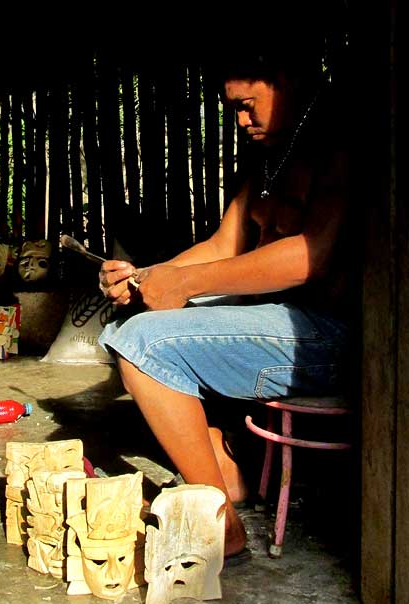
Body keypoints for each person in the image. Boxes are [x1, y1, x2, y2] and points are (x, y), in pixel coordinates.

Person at [97, 44, 353, 562]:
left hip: (328, 339)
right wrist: (148, 278)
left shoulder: (338, 145)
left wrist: (184, 286)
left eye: (247, 103)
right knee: (126, 326)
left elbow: (311, 257)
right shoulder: (270, 157)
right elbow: (222, 246)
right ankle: (226, 471)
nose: (239, 118)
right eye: (232, 107)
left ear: (286, 79)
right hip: (282, 323)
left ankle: (221, 525)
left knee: (142, 346)